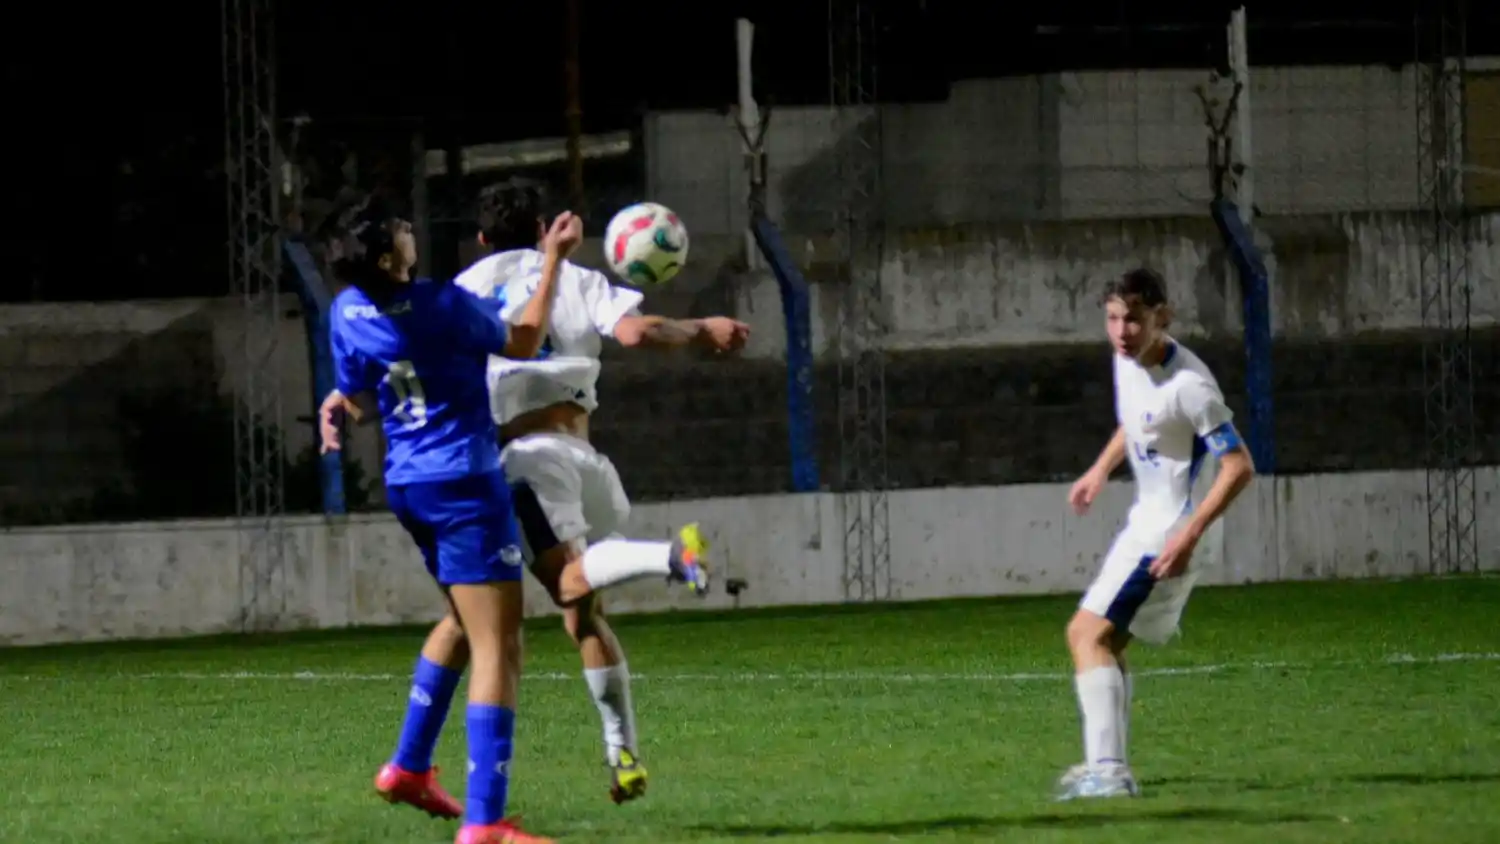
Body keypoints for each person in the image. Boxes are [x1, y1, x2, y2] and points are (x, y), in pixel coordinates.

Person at [453, 179, 751, 804]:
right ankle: (623, 757)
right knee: (582, 609)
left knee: (566, 583)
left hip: (524, 458)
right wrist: (704, 328)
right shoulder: (578, 278)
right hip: (584, 454)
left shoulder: (463, 292)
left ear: (480, 240)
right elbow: (638, 332)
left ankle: (669, 557)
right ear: (542, 227)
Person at [319, 195, 582, 844]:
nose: (412, 230)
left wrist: (340, 400)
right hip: (464, 482)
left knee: (464, 622)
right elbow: (522, 339)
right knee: (501, 644)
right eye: (400, 230)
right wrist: (551, 262)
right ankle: (486, 823)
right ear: (388, 256)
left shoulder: (346, 309)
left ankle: (408, 769)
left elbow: (357, 402)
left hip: (410, 486)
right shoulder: (439, 304)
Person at [1056, 267, 1256, 800]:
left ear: (1162, 318)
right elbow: (1137, 422)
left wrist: (1187, 537)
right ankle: (1108, 764)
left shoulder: (1193, 387)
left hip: (1169, 531)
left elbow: (1239, 466)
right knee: (1108, 640)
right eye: (1114, 319)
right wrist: (1100, 470)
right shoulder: (1128, 363)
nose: (1122, 332)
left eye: (1135, 320)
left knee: (1085, 635)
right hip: (1147, 522)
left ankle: (1110, 772)